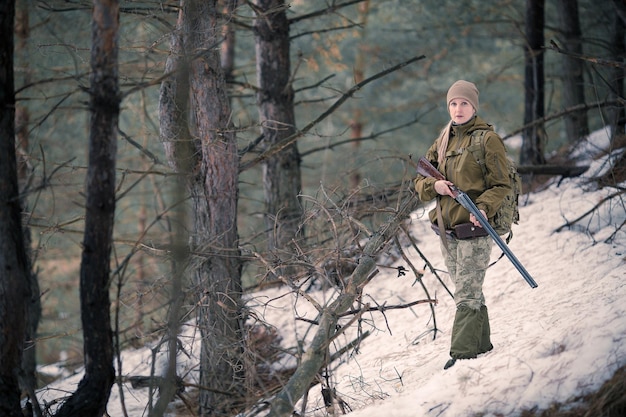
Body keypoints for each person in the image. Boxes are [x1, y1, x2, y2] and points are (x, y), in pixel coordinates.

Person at [414, 80, 511, 370]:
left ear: (473, 106)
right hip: (448, 231)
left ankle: (462, 354)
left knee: (466, 293)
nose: (458, 109)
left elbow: (501, 184)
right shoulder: (443, 138)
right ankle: (481, 345)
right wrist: (436, 185)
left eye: (464, 103)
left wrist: (482, 207)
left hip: (476, 228)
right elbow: (419, 182)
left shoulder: (487, 140)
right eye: (453, 104)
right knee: (467, 290)